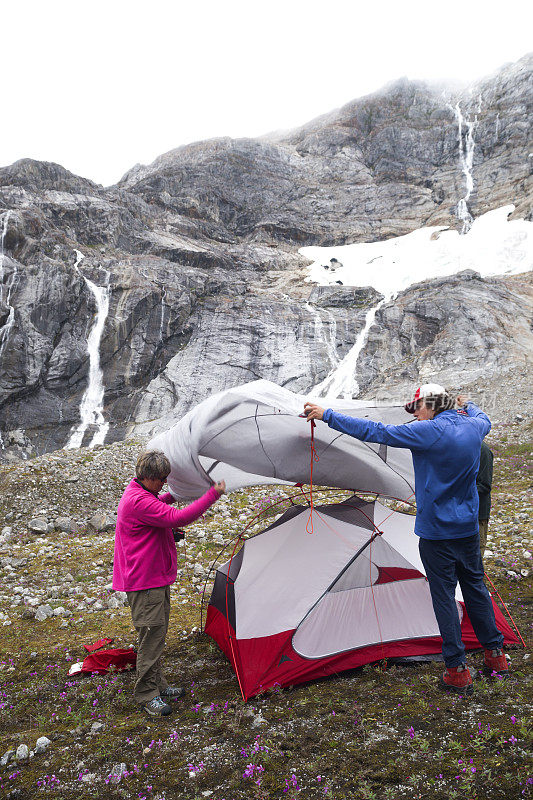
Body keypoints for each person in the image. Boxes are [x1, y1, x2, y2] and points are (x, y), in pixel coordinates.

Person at [303, 384, 508, 694]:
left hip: (436, 533)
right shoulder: (474, 425)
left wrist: (328, 415)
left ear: (432, 403)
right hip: (467, 528)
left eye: (417, 407)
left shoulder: (428, 433)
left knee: (443, 596)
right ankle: (495, 655)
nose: (415, 413)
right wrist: (470, 403)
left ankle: (456, 670)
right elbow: (485, 419)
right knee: (475, 589)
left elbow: (376, 432)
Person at [113, 450, 226, 717]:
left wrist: (176, 495)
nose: (164, 483)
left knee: (157, 635)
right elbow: (177, 518)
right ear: (148, 477)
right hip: (145, 582)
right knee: (151, 636)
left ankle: (157, 684)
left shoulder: (140, 493)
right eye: (161, 479)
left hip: (152, 578)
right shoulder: (139, 501)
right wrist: (212, 495)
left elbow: (159, 505)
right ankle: (146, 694)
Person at [477, 441, 494, 557]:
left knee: (475, 555)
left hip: (478, 514)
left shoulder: (482, 450)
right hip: (461, 515)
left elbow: (484, 486)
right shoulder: (460, 448)